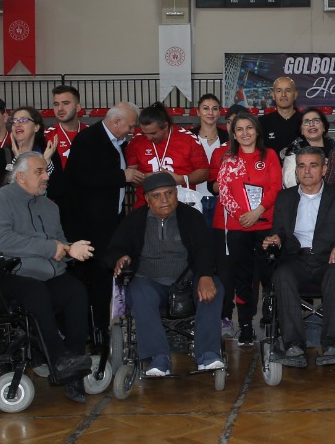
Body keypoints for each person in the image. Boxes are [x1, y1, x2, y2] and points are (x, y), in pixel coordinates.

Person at [0, 152, 98, 402]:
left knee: (75, 292)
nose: (46, 177)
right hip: (4, 275)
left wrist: (71, 249)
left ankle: (72, 366)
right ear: (20, 177)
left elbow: (58, 243)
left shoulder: (49, 206)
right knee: (35, 292)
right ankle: (57, 358)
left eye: (46, 171)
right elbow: (1, 240)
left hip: (44, 274)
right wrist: (53, 247)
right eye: (39, 172)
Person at [106, 171, 224, 378]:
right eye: (157, 196)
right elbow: (113, 250)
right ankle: (158, 357)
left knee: (214, 287)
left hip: (185, 282)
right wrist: (120, 257)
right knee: (140, 292)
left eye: (169, 193)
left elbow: (206, 249)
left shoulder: (191, 217)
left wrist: (205, 275)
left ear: (176, 194)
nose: (164, 200)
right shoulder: (135, 220)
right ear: (148, 200)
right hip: (149, 281)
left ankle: (207, 353)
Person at [264, 146, 335, 368]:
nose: (307, 171)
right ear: (296, 170)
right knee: (282, 274)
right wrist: (275, 239)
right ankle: (293, 343)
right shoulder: (285, 197)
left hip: (328, 260)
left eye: (313, 165)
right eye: (301, 166)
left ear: (324, 169)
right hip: (296, 260)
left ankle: (332, 342)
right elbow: (279, 230)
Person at [56, 102, 141, 336]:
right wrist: (122, 175)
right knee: (88, 278)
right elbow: (82, 176)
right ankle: (83, 330)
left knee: (103, 276)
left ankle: (101, 328)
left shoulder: (118, 142)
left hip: (108, 221)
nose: (132, 131)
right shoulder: (88, 140)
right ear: (116, 123)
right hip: (86, 225)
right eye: (130, 126)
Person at [211, 110, 282, 347]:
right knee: (242, 278)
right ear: (233, 133)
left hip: (266, 225)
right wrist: (243, 216)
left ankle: (272, 321)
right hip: (238, 227)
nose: (245, 133)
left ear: (257, 131)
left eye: (249, 128)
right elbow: (224, 192)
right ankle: (245, 326)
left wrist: (257, 211)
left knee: (268, 275)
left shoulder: (269, 155)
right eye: (239, 129)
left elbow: (275, 187)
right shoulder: (228, 160)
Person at [125, 103, 208, 207]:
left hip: (181, 203)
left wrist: (181, 179)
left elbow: (204, 172)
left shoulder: (188, 139)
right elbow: (132, 180)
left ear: (165, 126)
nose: (148, 137)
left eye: (153, 133)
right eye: (144, 132)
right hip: (146, 205)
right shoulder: (136, 141)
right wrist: (144, 177)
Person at [0, 105, 54, 195]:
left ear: (36, 127)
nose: (17, 124)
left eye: (23, 120)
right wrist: (19, 162)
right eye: (14, 121)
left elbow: (57, 190)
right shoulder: (0, 155)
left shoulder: (48, 153)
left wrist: (46, 164)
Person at [190, 93, 227, 215]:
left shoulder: (228, 138)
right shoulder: (188, 137)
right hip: (193, 199)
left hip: (221, 199)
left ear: (219, 112)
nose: (210, 113)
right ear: (198, 112)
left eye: (214, 109)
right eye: (206, 108)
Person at [258, 75, 302, 156]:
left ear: (295, 94)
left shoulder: (305, 121)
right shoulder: (262, 122)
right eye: (279, 91)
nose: (283, 94)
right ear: (273, 95)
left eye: (288, 90)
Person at [48, 84, 86, 168]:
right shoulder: (47, 136)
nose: (60, 108)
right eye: (56, 104)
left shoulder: (91, 134)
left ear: (78, 107)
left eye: (65, 103)